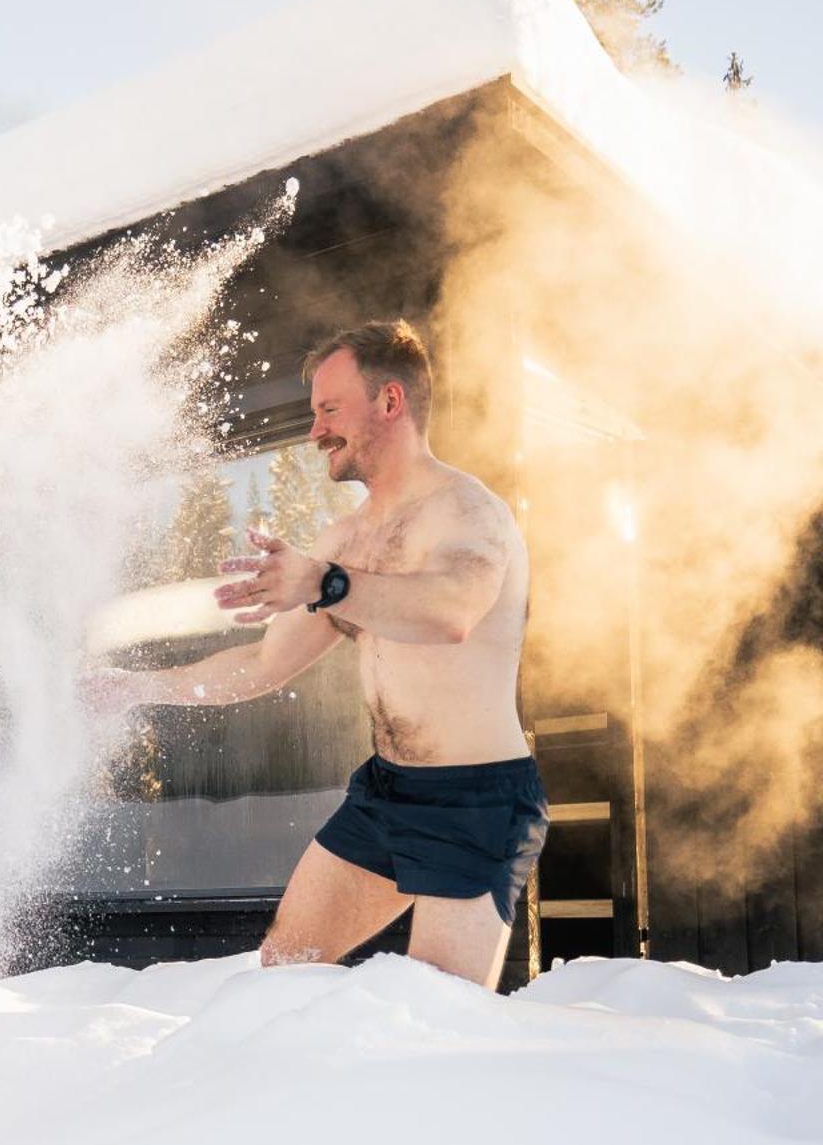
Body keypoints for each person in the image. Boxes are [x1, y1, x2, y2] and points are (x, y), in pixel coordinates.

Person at [84, 320, 548, 989]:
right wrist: (135, 686)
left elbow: (450, 613)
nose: (314, 431)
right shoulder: (348, 538)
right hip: (388, 795)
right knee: (283, 973)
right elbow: (261, 665)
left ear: (390, 402)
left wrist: (327, 583)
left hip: (477, 802)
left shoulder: (465, 510)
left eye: (330, 410)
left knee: (436, 1015)